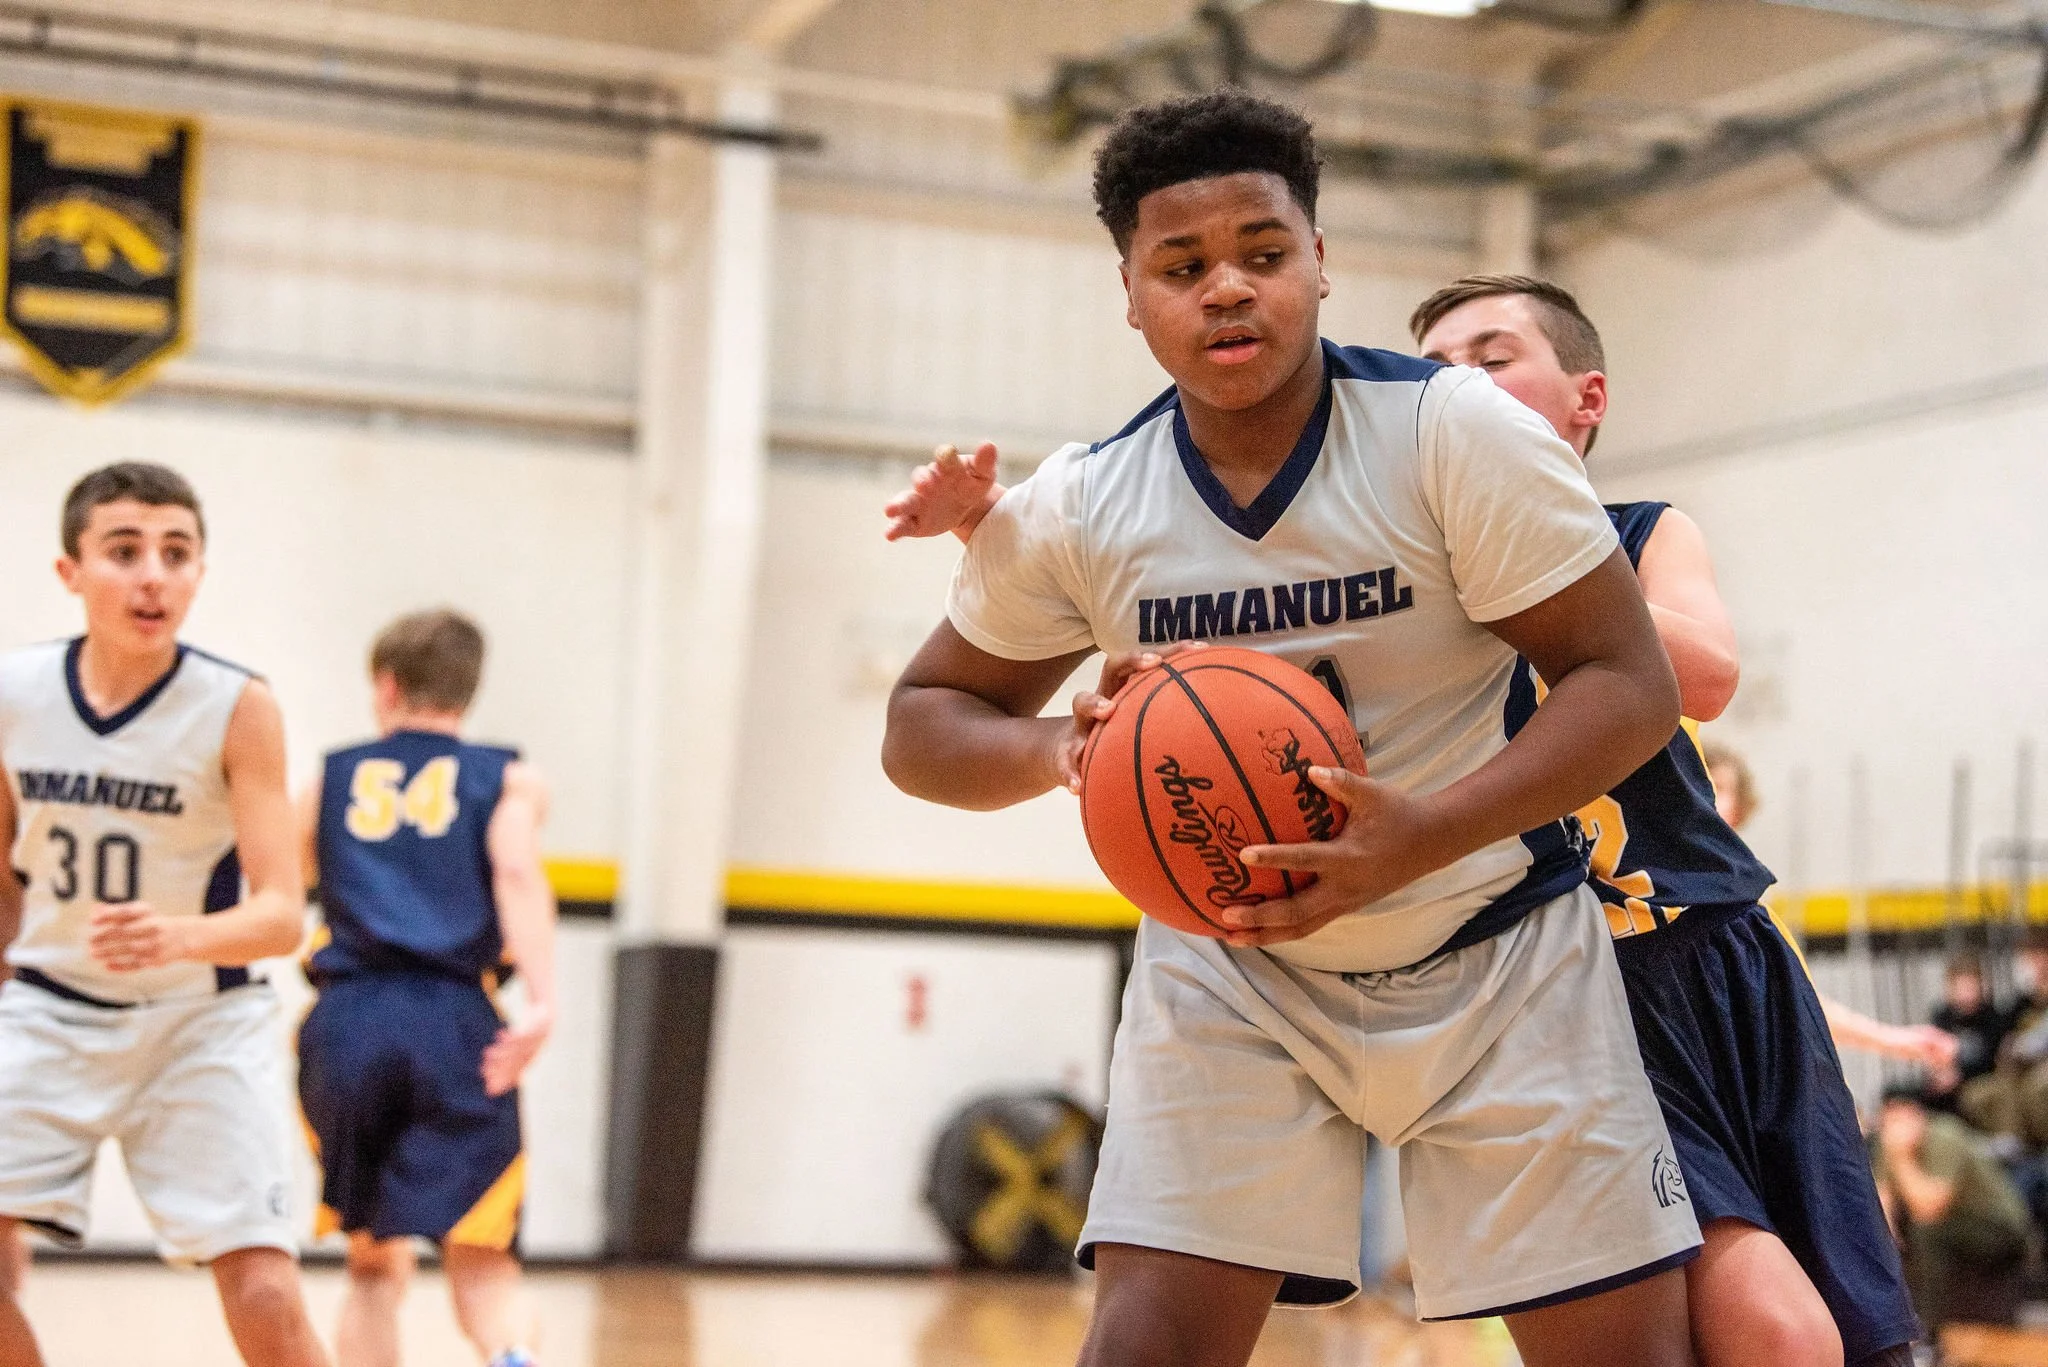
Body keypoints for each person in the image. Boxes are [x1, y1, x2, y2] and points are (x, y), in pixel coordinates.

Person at [888, 274, 1925, 1367]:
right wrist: (998, 535)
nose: (1454, 385)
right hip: (1580, 973)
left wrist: (1520, 551)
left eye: (1490, 359)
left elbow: (1705, 673)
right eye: (1434, 367)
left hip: (1713, 953)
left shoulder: (1627, 533)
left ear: (1586, 399)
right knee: (1775, 1332)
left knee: (1855, 1333)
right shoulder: (1402, 523)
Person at [882, 90, 1701, 1367]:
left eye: (1261, 253)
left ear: (1319, 262)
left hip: (1495, 943)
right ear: (1130, 293)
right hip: (1232, 972)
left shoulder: (1450, 434)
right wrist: (1060, 750)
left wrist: (1423, 832)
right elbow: (922, 724)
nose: (1226, 288)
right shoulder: (1087, 503)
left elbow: (1627, 683)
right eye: (1181, 266)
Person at [0, 463, 329, 1367]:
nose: (154, 575)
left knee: (264, 1295)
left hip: (199, 1025)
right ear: (70, 571)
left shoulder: (238, 706)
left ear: (199, 574)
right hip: (49, 1010)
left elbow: (280, 914)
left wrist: (180, 935)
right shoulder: (14, 692)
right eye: (125, 551)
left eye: (176, 554)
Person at [296, 609, 556, 1367]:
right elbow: (516, 870)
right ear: (468, 690)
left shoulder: (328, 778)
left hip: (350, 1021)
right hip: (455, 1023)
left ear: (386, 686)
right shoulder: (509, 778)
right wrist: (543, 1001)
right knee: (483, 1259)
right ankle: (510, 1356)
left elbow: (277, 883)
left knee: (373, 1266)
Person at [1702, 742, 1958, 1077]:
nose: (1707, 793)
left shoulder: (1745, 899)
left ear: (1739, 810)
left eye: (1720, 786)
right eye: (1699, 779)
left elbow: (1794, 997)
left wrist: (1892, 1040)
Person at [1872, 1087, 2030, 1334]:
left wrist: (1902, 1158)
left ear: (1918, 1114)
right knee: (1887, 1239)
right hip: (1954, 1223)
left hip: (1999, 1226)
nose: (1895, 1127)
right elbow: (1883, 1203)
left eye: (1902, 1116)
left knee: (1927, 1231)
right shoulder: (1888, 1143)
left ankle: (1930, 1333)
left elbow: (1930, 1209)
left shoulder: (1944, 1135)